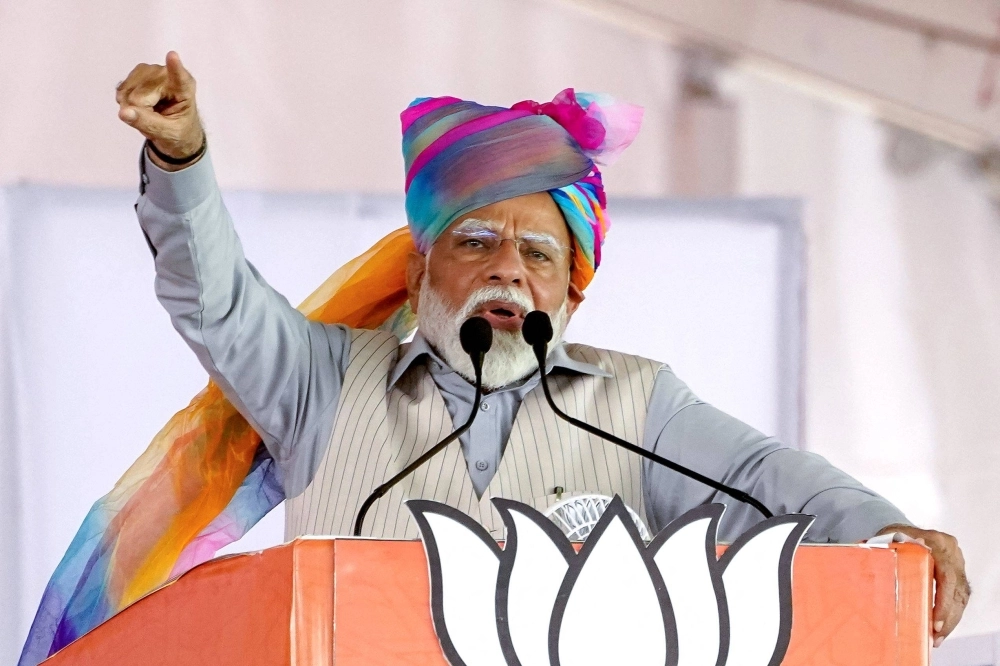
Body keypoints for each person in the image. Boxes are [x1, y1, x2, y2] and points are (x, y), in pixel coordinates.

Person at [18, 52, 969, 666]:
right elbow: (215, 300)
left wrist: (889, 535)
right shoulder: (318, 380)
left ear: (570, 290)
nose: (507, 269)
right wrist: (183, 160)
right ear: (423, 262)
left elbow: (771, 480)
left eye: (538, 253)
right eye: (476, 241)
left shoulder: (640, 404)